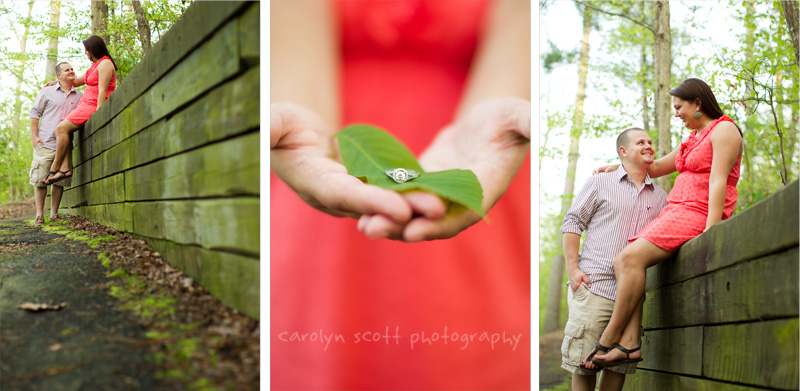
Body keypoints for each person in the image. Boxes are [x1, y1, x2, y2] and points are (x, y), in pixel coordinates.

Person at [271, 1, 530, 389]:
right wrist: (296, 117)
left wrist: (507, 107)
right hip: (329, 158)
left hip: (477, 147)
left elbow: (518, 39)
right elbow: (294, 58)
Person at [585, 78, 743, 368]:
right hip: (676, 210)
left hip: (698, 210)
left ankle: (608, 338)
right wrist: (617, 165)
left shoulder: (724, 130)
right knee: (622, 261)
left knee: (631, 258)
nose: (677, 113)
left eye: (680, 107)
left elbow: (719, 179)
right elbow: (655, 168)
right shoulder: (693, 139)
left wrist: (712, 227)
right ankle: (630, 344)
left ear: (697, 103)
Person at [560, 128, 667, 390]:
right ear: (623, 151)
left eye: (650, 142)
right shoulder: (600, 182)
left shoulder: (661, 197)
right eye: (641, 142)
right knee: (584, 367)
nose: (648, 146)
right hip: (594, 287)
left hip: (630, 297)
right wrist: (573, 270)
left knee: (617, 368)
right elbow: (573, 222)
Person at [42, 35, 117, 185]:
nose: (85, 53)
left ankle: (56, 167)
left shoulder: (106, 64)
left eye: (86, 50)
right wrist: (57, 81)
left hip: (92, 105)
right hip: (84, 104)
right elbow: (75, 82)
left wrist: (99, 114)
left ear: (92, 49)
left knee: (61, 129)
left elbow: (102, 91)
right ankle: (64, 168)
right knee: (63, 130)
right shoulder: (95, 66)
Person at [28, 62, 82, 226]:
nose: (71, 71)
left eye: (72, 69)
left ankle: (53, 214)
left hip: (64, 146)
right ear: (58, 75)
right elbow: (35, 112)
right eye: (67, 70)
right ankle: (39, 215)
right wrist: (34, 137)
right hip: (45, 142)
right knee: (40, 180)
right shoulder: (47, 92)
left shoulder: (79, 96)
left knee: (59, 180)